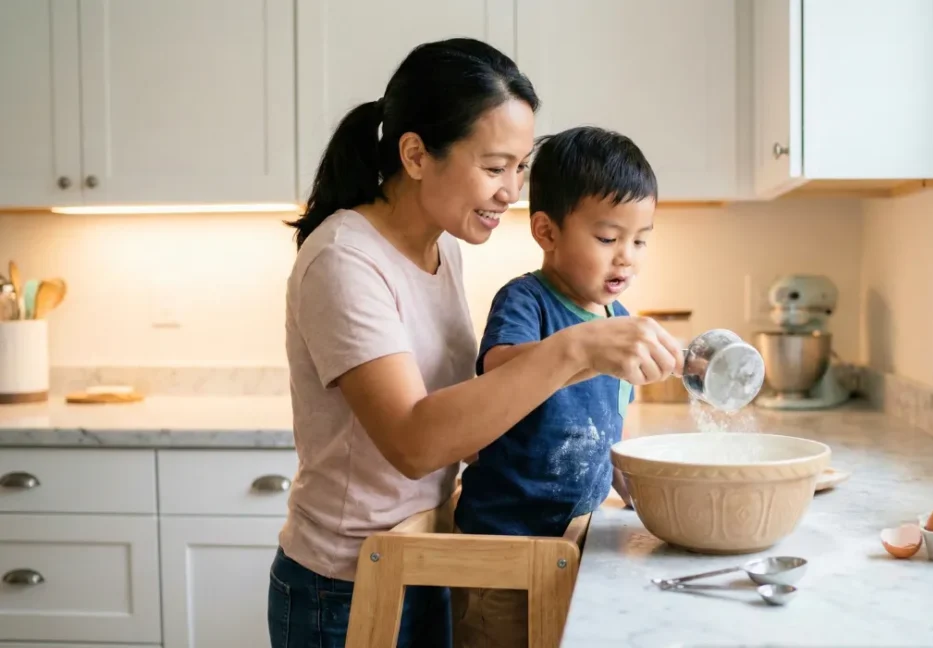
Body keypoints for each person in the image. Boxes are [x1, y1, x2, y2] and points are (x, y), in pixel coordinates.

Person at [268, 38, 685, 648]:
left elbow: (473, 410)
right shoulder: (343, 258)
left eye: (519, 168)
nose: (511, 191)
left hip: (427, 556)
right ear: (415, 154)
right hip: (347, 585)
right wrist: (579, 348)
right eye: (494, 167)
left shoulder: (444, 249)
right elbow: (414, 441)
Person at [451, 125, 659, 646]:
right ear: (546, 232)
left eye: (639, 240)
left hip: (571, 544)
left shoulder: (618, 318)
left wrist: (624, 476)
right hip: (502, 547)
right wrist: (580, 350)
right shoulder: (528, 301)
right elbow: (500, 370)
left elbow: (600, 423)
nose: (626, 256)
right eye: (608, 239)